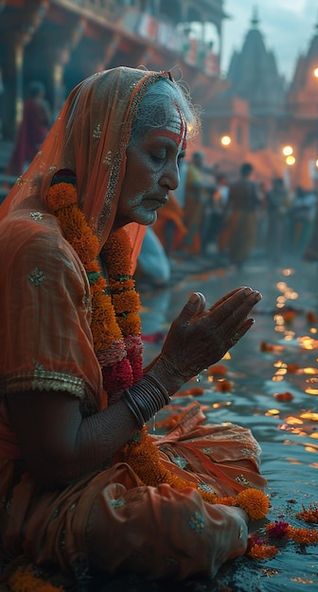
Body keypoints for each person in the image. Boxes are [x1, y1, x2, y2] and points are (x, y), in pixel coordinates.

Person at [0, 67, 265, 582]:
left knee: (235, 449)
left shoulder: (103, 245)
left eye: (179, 160)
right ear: (104, 147)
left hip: (81, 453)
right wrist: (171, 372)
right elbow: (56, 459)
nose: (173, 180)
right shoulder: (44, 250)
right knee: (193, 527)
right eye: (157, 155)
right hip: (26, 484)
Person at [5, 80, 51, 177]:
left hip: (28, 135)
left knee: (29, 161)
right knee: (40, 160)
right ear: (40, 92)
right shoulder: (42, 104)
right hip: (40, 136)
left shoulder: (27, 104)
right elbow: (47, 120)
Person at [224, 162, 261, 269]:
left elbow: (228, 202)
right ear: (250, 172)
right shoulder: (252, 185)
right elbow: (257, 200)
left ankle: (233, 259)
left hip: (236, 214)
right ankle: (240, 261)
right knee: (246, 238)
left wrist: (225, 215)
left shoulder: (234, 184)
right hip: (248, 215)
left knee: (235, 236)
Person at [181, 151, 215, 255]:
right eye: (200, 159)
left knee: (196, 227)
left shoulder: (198, 170)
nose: (202, 161)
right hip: (192, 204)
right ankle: (186, 250)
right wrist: (208, 186)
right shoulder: (190, 169)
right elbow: (196, 185)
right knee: (190, 226)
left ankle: (193, 250)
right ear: (195, 159)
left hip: (198, 205)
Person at [265, 177, 290, 264]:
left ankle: (277, 255)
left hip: (280, 218)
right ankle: (270, 254)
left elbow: (287, 205)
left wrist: (284, 209)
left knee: (278, 237)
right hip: (272, 217)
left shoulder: (284, 193)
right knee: (271, 236)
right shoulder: (270, 193)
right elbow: (267, 205)